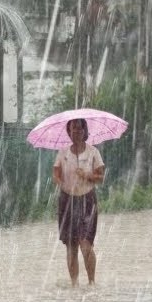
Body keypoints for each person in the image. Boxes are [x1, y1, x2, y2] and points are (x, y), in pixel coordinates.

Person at [51, 117, 105, 286]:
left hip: (87, 200)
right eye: (73, 128)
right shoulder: (63, 153)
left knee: (85, 244)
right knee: (71, 246)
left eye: (80, 128)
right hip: (67, 201)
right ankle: (74, 285)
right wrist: (59, 181)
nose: (77, 132)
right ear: (69, 132)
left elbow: (101, 178)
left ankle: (91, 283)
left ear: (85, 131)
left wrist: (87, 175)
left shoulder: (93, 152)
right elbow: (55, 174)